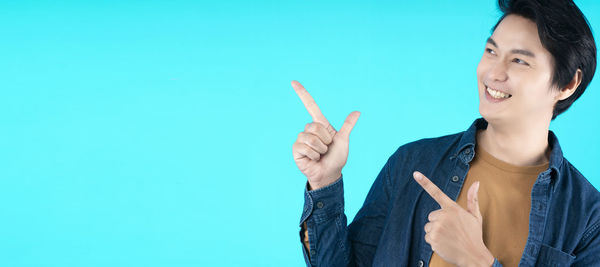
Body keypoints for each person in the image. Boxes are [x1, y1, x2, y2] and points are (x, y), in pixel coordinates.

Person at [291, 0, 599, 266]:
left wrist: (478, 261)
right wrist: (325, 183)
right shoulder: (412, 163)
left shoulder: (588, 217)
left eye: (519, 60)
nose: (494, 72)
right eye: (491, 51)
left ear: (568, 84)